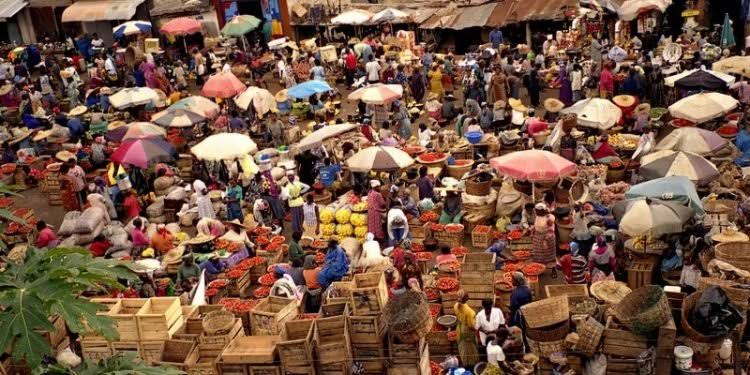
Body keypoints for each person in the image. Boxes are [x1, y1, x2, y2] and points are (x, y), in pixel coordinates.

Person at [454, 291, 479, 367]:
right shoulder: (470, 312)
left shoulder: (455, 305)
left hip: (459, 328)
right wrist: (477, 329)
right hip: (467, 331)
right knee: (470, 348)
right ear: (466, 298)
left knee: (463, 347)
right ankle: (471, 364)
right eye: (467, 296)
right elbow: (471, 326)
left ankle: (465, 362)